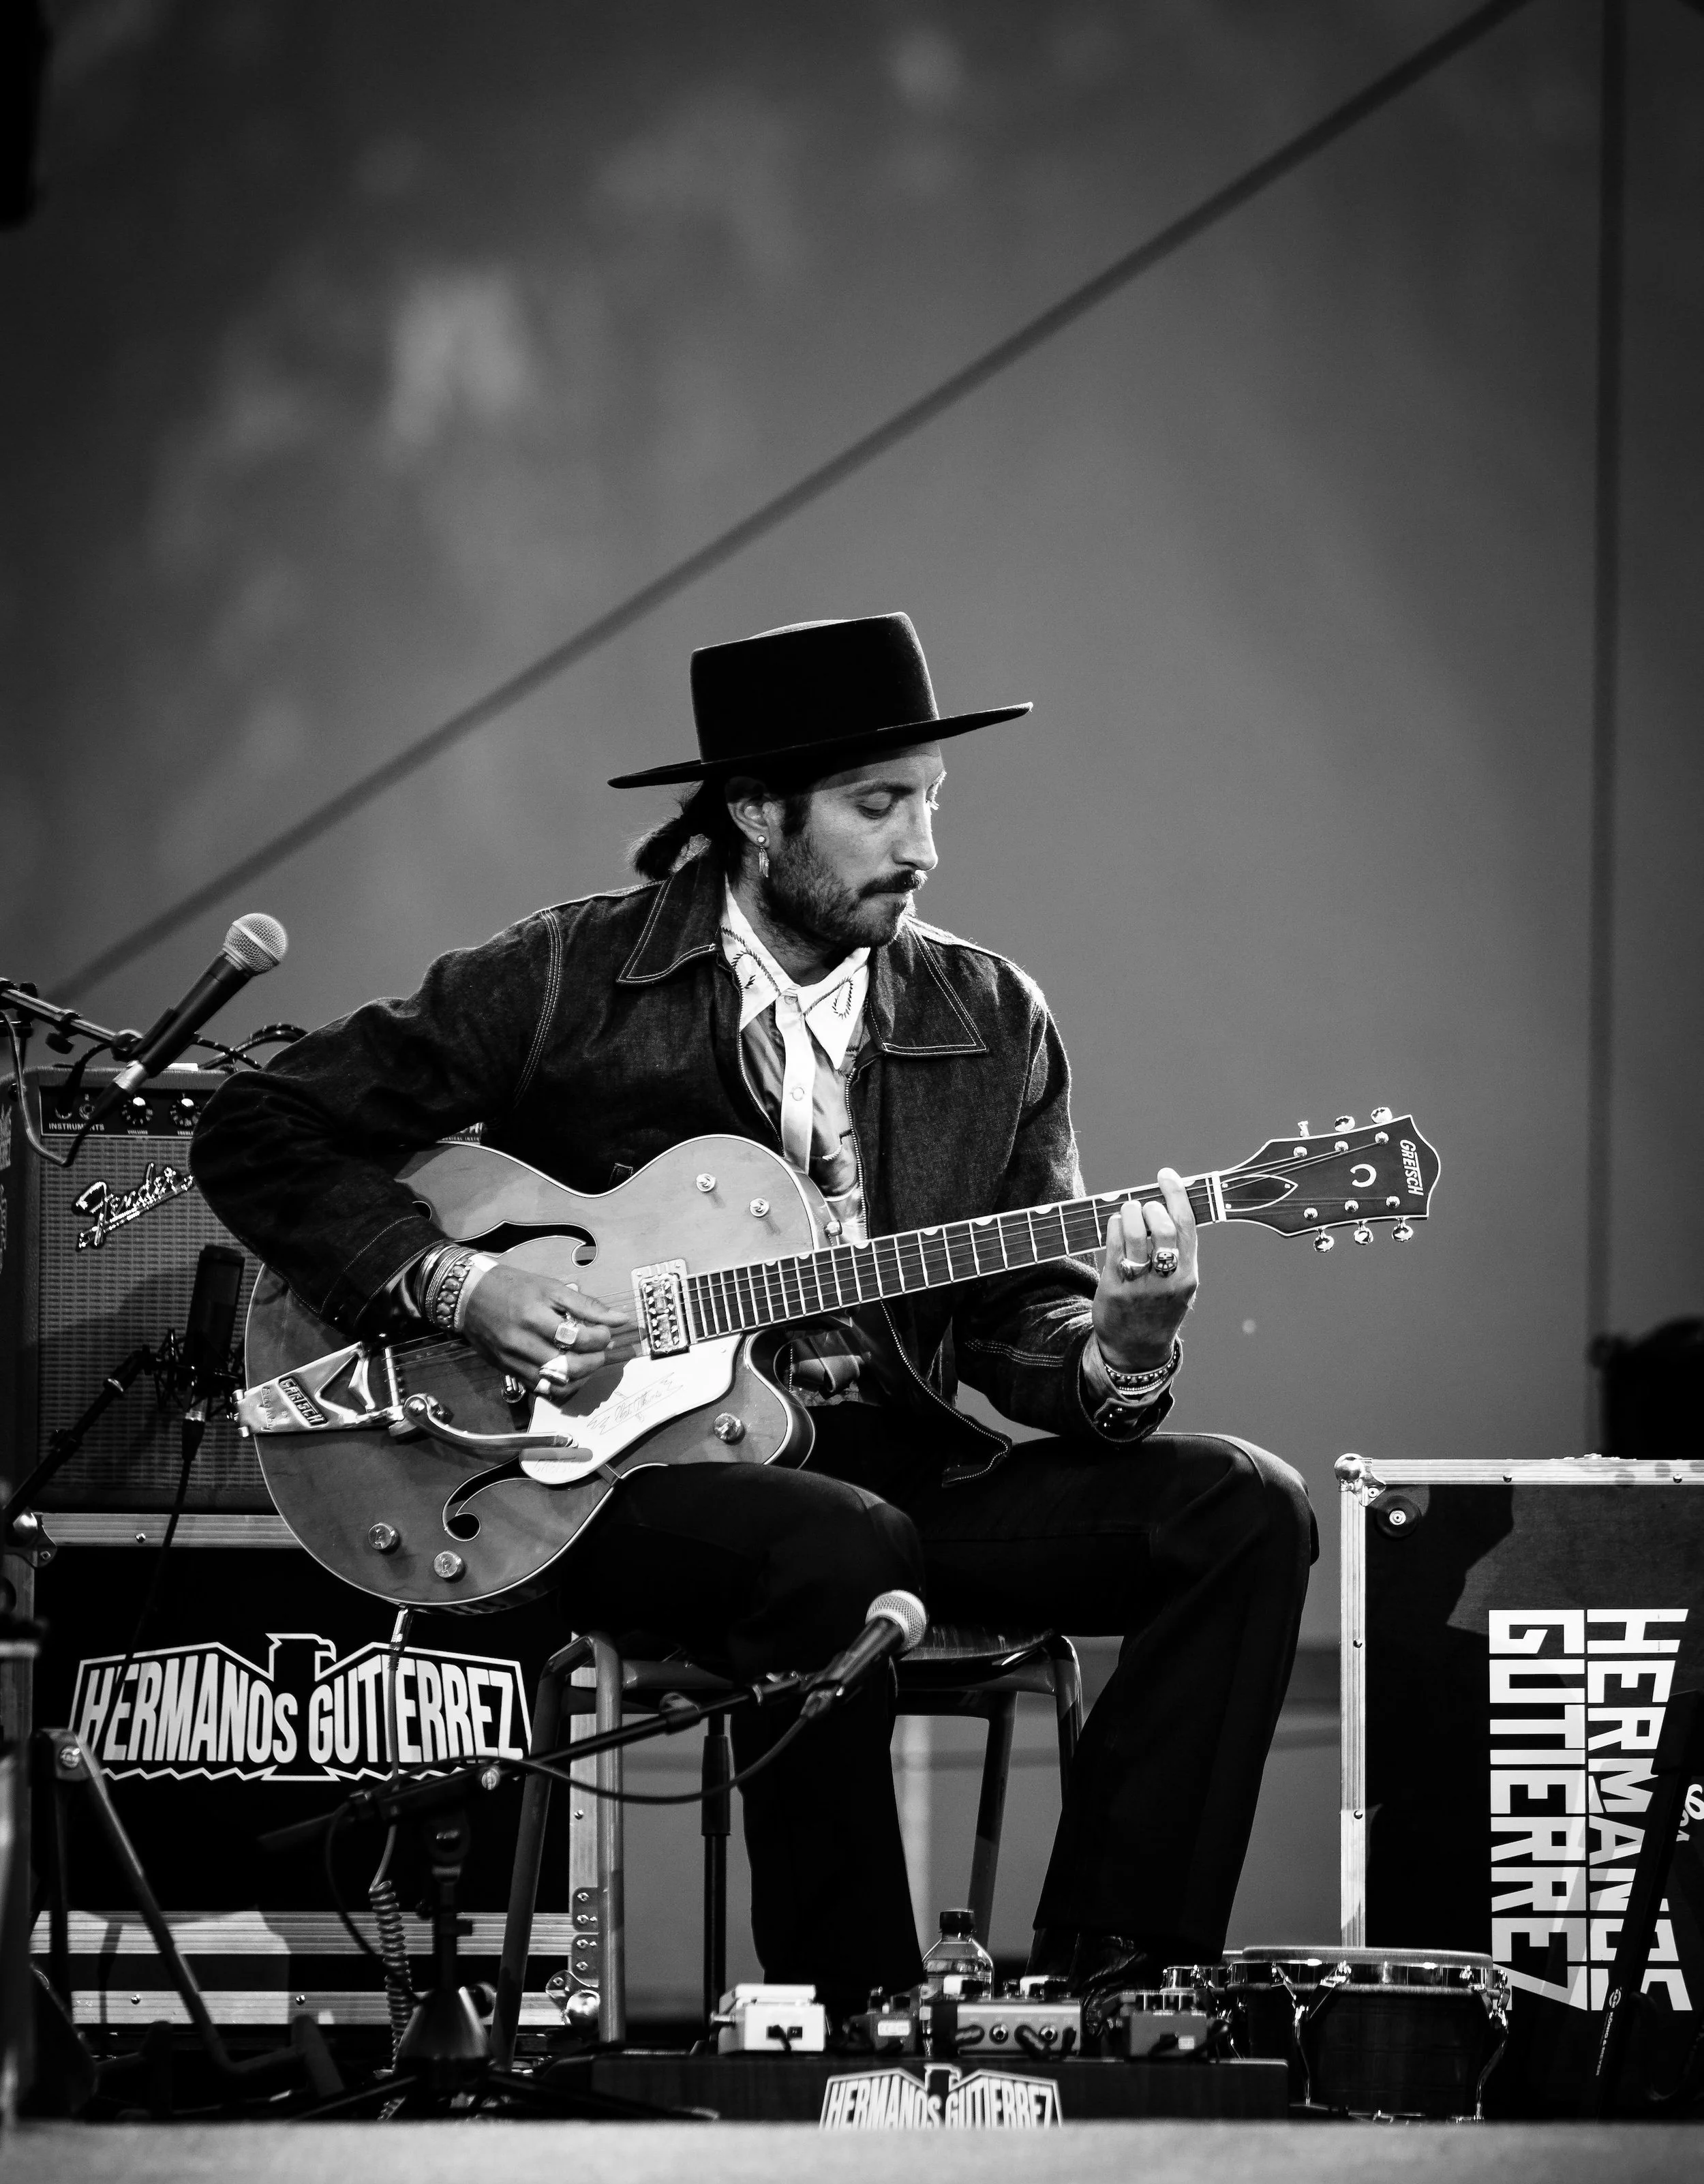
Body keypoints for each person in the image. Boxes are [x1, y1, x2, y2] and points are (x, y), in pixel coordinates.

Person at [192, 612, 1314, 2024]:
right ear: (752, 812)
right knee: (832, 1542)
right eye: (877, 805)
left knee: (1242, 1510)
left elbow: (1011, 1316)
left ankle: (1119, 1982)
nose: (921, 844)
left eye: (931, 801)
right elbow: (258, 1128)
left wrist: (1120, 1351)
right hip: (611, 1491)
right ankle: (852, 2016)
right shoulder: (570, 975)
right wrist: (462, 1284)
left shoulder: (988, 1013)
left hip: (897, 1476)